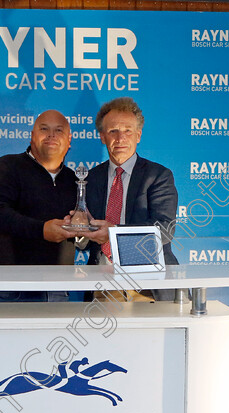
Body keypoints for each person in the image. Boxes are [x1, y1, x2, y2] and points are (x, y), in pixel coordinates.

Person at [79, 97, 179, 300]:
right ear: (102, 137)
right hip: (102, 285)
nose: (120, 138)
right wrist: (78, 230)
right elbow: (84, 241)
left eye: (127, 130)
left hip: (149, 284)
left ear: (138, 135)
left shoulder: (158, 176)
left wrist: (113, 234)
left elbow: (164, 230)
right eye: (113, 131)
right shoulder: (90, 178)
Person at [0, 110, 78, 301]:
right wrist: (41, 230)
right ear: (32, 136)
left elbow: (81, 232)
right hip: (11, 288)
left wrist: (82, 231)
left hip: (57, 288)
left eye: (59, 130)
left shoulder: (74, 179)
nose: (51, 135)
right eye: (44, 129)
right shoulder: (8, 166)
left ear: (69, 140)